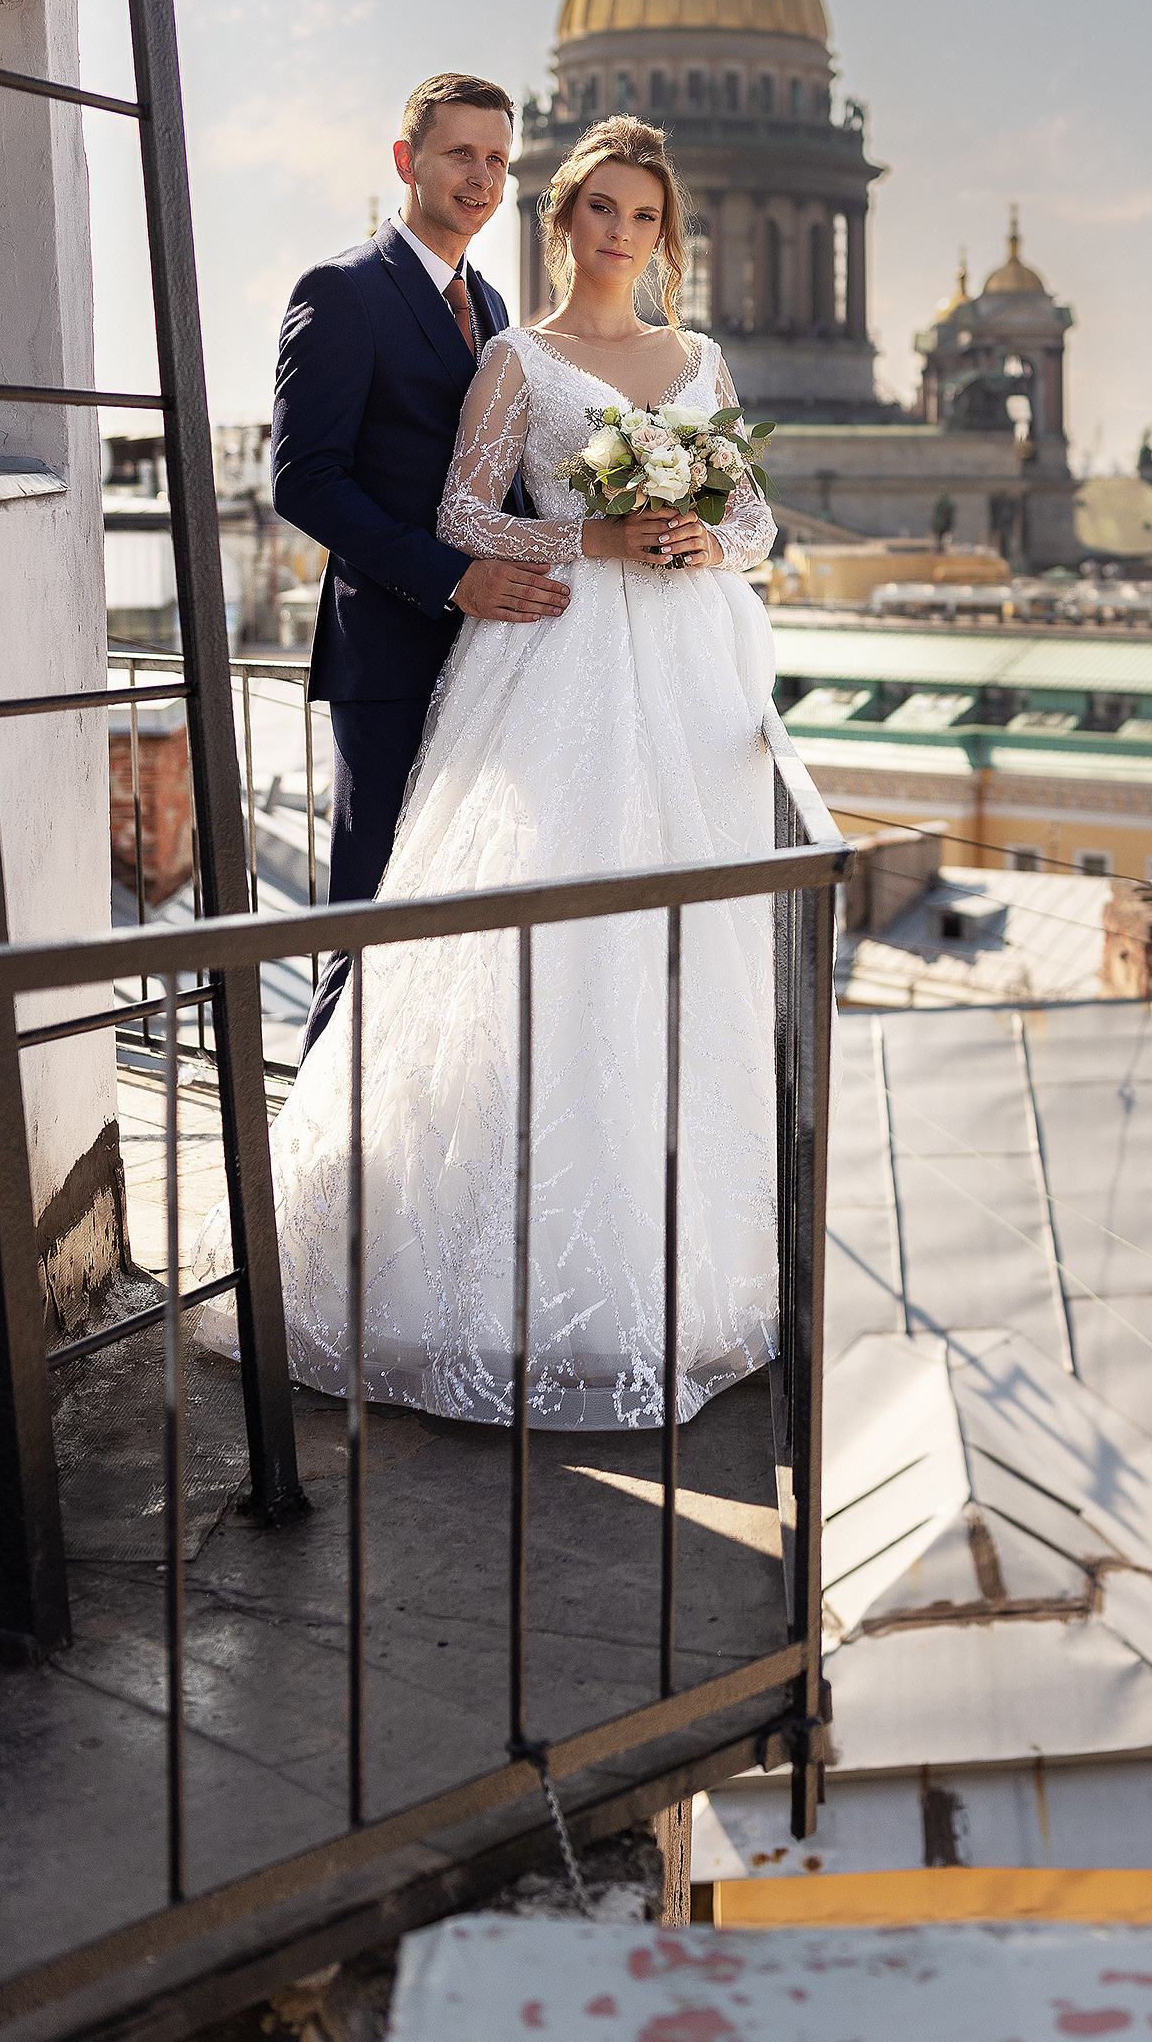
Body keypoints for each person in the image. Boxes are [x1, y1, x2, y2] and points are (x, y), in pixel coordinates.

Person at [198, 117, 778, 1430]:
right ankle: (461, 1272)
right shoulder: (512, 348)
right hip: (555, 669)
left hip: (689, 683)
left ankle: (689, 1273)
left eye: (642, 216)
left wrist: (698, 538)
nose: (619, 233)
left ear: (663, 234)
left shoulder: (700, 360)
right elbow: (459, 514)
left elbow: (754, 525)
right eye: (599, 210)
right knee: (524, 949)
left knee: (681, 953)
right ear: (564, 220)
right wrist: (598, 533)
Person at [273, 73, 570, 1057]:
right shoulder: (343, 291)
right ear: (408, 162)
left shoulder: (488, 302)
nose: (482, 177)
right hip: (391, 660)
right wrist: (449, 579)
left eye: (497, 159)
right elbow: (305, 482)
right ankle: (307, 1172)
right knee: (370, 920)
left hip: (483, 660)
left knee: (449, 924)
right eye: (460, 155)